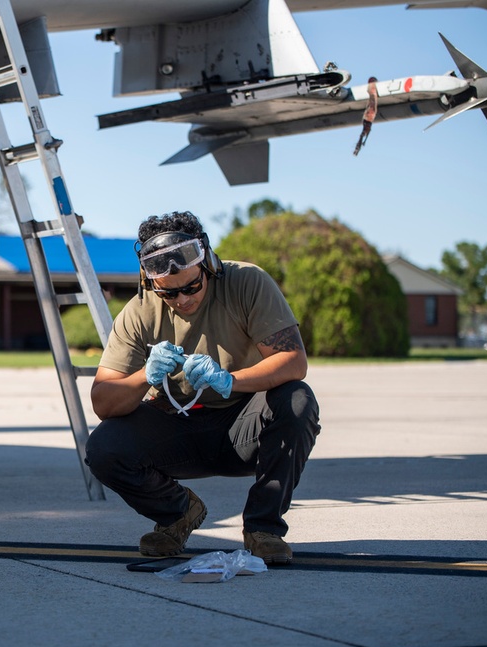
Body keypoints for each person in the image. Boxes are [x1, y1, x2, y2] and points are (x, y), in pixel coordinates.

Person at [85, 211, 320, 564]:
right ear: (150, 283)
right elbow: (103, 402)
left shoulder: (247, 283)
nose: (182, 300)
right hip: (176, 428)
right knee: (104, 446)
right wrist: (143, 376)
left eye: (191, 287)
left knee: (298, 401)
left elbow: (293, 361)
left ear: (208, 263)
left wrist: (231, 381)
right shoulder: (138, 312)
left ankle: (263, 528)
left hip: (244, 424)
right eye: (168, 293)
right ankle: (177, 513)